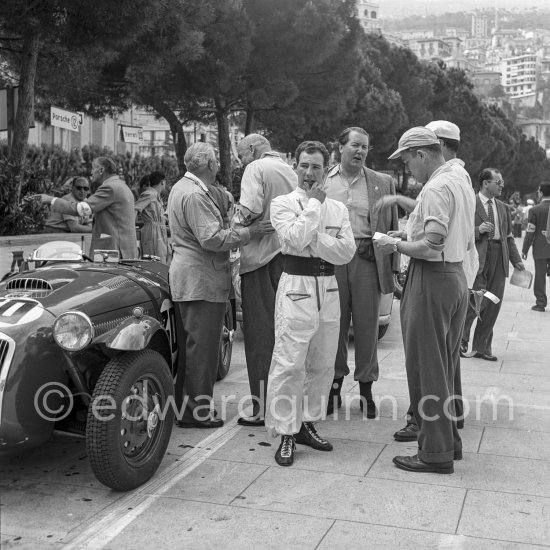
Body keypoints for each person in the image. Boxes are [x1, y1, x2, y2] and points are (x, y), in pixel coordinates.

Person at [375, 126, 474, 474]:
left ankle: (434, 453)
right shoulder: (460, 179)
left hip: (432, 278)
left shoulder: (436, 186)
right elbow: (441, 234)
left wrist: (395, 245)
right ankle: (448, 443)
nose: (406, 169)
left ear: (420, 153)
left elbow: (431, 245)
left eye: (406, 160)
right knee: (443, 367)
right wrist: (406, 233)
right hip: (454, 276)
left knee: (426, 369)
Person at [167, 142, 272, 429]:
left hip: (194, 279)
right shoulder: (195, 195)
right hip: (201, 280)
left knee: (194, 349)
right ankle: (196, 412)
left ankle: (189, 408)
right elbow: (212, 239)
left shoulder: (186, 189)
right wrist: (250, 232)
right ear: (211, 165)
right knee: (202, 350)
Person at [265, 141, 355, 466]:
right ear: (295, 165)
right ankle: (285, 432)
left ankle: (306, 423)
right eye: (304, 165)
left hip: (328, 289)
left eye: (316, 166)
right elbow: (292, 240)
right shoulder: (282, 203)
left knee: (323, 361)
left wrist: (316, 238)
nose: (308, 172)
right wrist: (314, 208)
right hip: (296, 288)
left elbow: (346, 253)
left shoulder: (339, 209)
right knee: (290, 362)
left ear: (325, 169)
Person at [324, 127, 399, 418]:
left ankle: (366, 387)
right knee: (335, 325)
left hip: (367, 259)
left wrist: (391, 266)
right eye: (355, 145)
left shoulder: (383, 181)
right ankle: (334, 384)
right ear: (340, 147)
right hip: (332, 261)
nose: (360, 151)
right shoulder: (323, 180)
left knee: (368, 326)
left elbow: (390, 226)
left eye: (365, 147)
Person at [233, 134, 297, 426]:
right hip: (287, 257)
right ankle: (284, 403)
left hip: (259, 261)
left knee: (259, 337)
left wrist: (235, 223)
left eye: (240, 155)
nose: (240, 161)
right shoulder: (290, 170)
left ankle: (261, 408)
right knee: (284, 336)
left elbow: (249, 210)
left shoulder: (255, 169)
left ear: (253, 150)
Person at [461, 168, 524, 361]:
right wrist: (478, 229)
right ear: (485, 183)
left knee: (494, 302)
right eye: (498, 182)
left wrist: (517, 260)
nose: (502, 185)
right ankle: (461, 340)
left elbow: (509, 237)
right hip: (478, 256)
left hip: (499, 256)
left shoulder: (503, 207)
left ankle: (482, 347)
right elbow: (459, 230)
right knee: (476, 300)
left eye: (502, 182)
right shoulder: (469, 203)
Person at [37, 157, 137, 259]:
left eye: (93, 168)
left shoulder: (110, 188)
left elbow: (80, 209)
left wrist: (50, 200)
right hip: (125, 250)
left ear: (101, 170)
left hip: (113, 251)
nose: (91, 172)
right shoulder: (122, 186)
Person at [522, 182, 550, 312]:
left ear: (541, 193)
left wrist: (524, 249)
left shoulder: (535, 210)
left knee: (540, 275)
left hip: (540, 248)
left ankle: (540, 303)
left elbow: (530, 232)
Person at [134, 171, 169, 263]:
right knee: (155, 262)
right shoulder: (149, 194)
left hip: (159, 231)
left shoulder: (156, 196)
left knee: (162, 261)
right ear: (162, 182)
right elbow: (135, 209)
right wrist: (130, 229)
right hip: (152, 232)